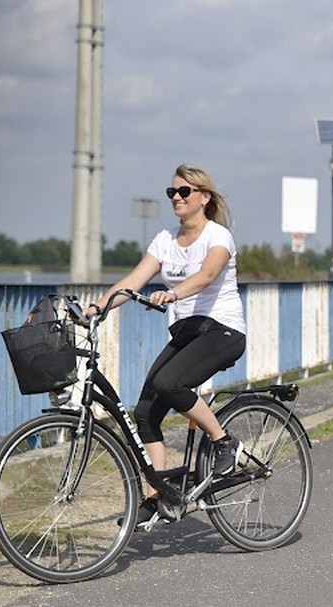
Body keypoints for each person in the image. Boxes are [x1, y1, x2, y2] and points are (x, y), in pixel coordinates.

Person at [85, 164, 246, 524]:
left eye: (184, 192)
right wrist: (96, 308)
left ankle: (224, 442)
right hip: (188, 332)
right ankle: (159, 497)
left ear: (204, 197)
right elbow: (133, 281)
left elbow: (205, 277)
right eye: (171, 192)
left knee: (169, 382)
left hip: (223, 331)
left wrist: (172, 294)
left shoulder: (218, 237)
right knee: (144, 413)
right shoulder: (164, 240)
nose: (176, 197)